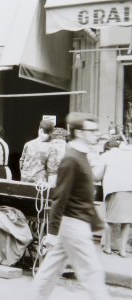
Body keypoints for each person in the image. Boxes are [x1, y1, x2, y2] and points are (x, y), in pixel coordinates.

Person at [32, 112, 111, 300]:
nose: (96, 134)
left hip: (74, 224)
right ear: (80, 132)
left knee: (51, 269)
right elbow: (60, 197)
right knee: (92, 272)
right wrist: (51, 233)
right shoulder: (72, 159)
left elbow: (82, 195)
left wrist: (97, 222)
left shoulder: (80, 156)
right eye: (92, 130)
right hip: (74, 226)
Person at [93, 140, 131, 258]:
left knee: (109, 219)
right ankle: (123, 250)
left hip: (114, 189)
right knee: (127, 221)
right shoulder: (128, 154)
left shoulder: (106, 156)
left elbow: (96, 176)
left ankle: (108, 247)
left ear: (106, 148)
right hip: (130, 188)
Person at [19, 120, 59, 186]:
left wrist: (24, 174)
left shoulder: (28, 144)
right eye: (48, 133)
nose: (50, 136)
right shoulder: (51, 148)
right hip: (40, 185)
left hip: (24, 182)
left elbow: (21, 162)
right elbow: (52, 172)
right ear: (40, 130)